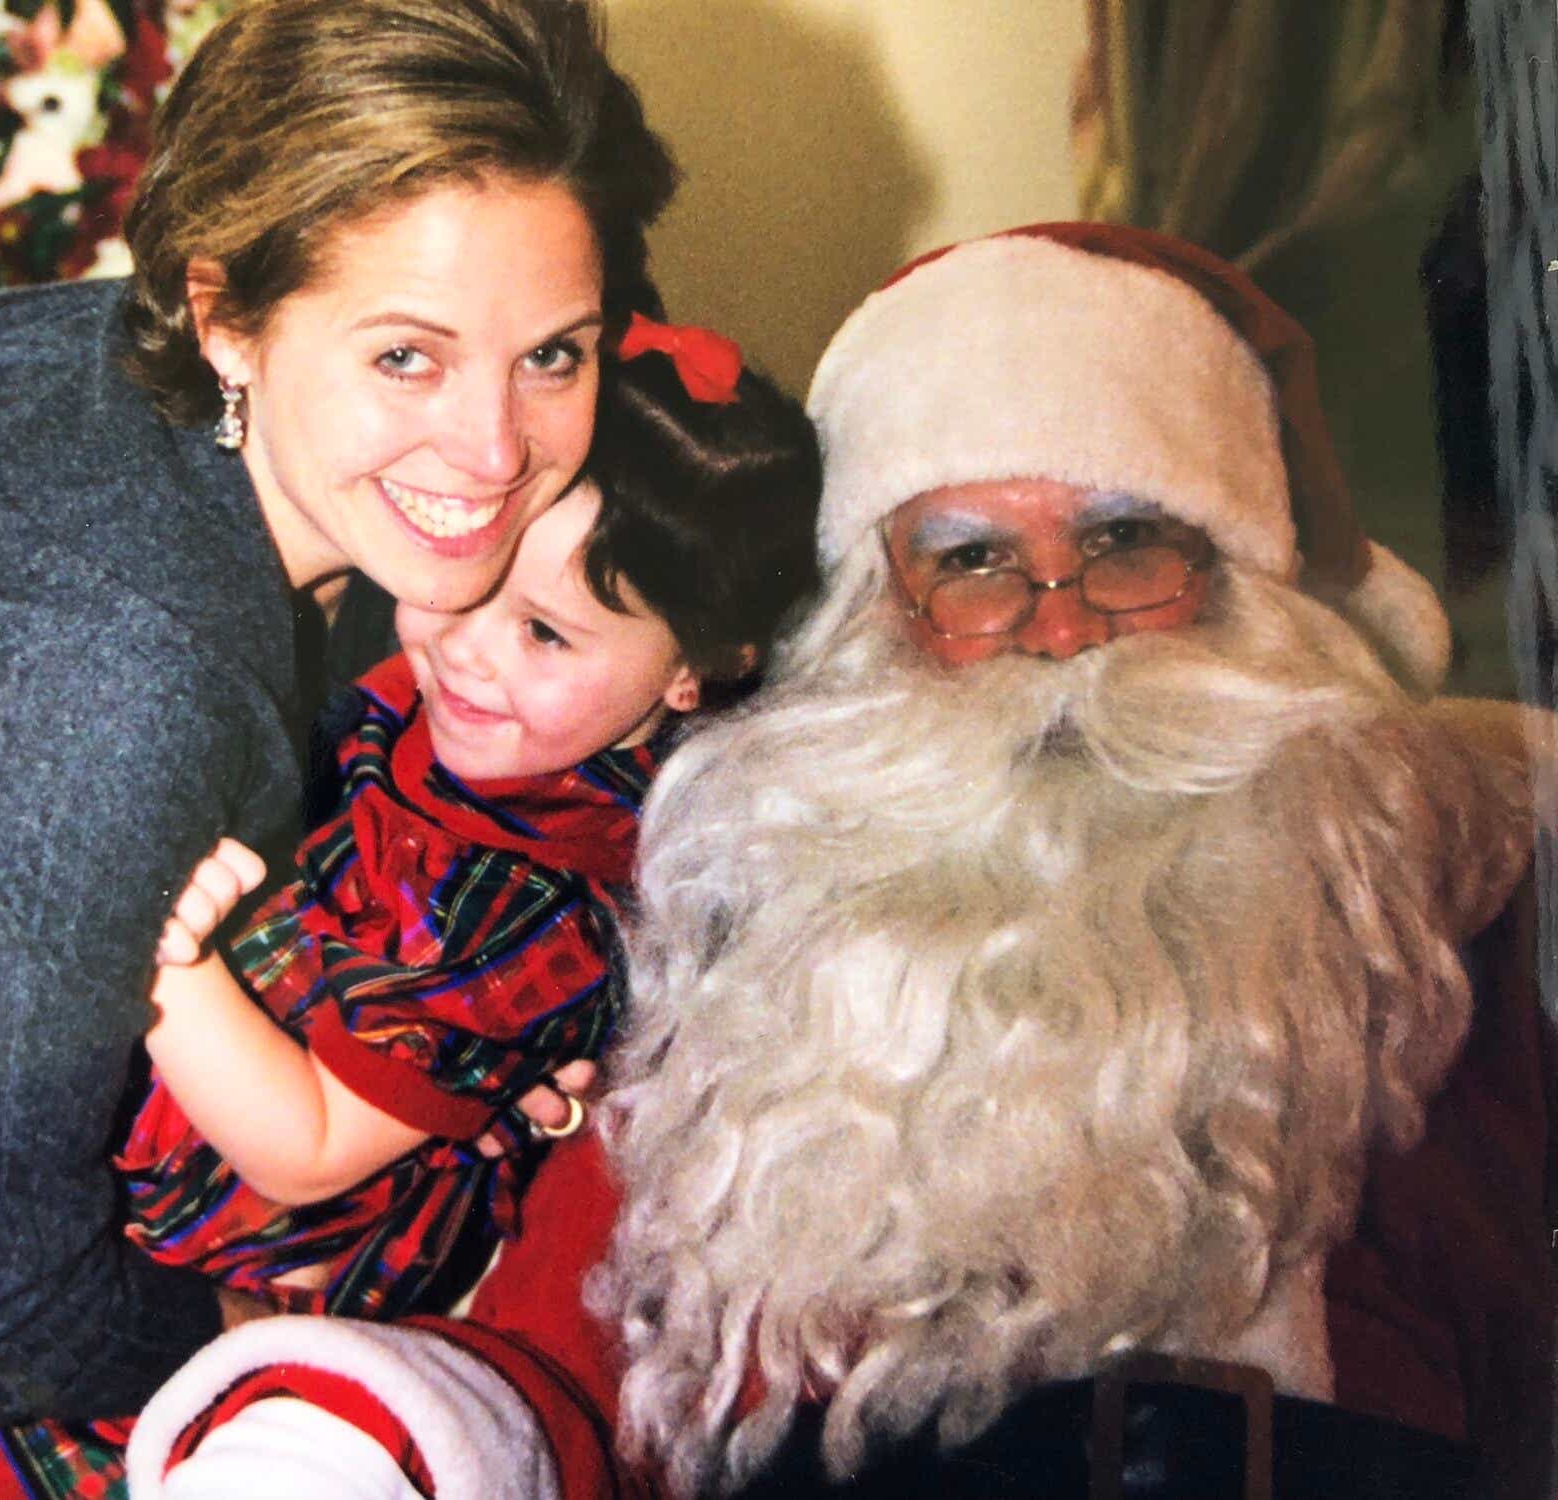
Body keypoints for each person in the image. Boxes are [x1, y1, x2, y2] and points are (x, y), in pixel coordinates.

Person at [120, 224, 1554, 1500]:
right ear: (880, 613)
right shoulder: (756, 927)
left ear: (1241, 581)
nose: (1060, 630)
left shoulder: (1447, 868)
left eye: (1127, 541)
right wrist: (357, 1449)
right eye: (974, 559)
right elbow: (557, 1354)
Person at [0, 0, 678, 1480]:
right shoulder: (118, 679)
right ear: (227, 316)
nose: (493, 450)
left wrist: (466, 1031)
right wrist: (278, 1326)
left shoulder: (112, 381)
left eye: (554, 354)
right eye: (407, 358)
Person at [0, 322, 823, 1497]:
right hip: (128, 1146)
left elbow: (305, 1150)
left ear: (696, 669)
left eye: (543, 633)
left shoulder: (545, 906)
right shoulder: (433, 714)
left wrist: (158, 940)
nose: (464, 653)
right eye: (471, 586)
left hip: (222, 1253)